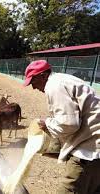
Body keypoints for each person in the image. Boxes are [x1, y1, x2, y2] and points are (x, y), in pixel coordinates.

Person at [22, 60, 100, 194]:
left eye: (33, 82)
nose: (33, 87)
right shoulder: (61, 80)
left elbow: (69, 124)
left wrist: (47, 123)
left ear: (43, 75)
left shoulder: (54, 86)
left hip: (89, 152)